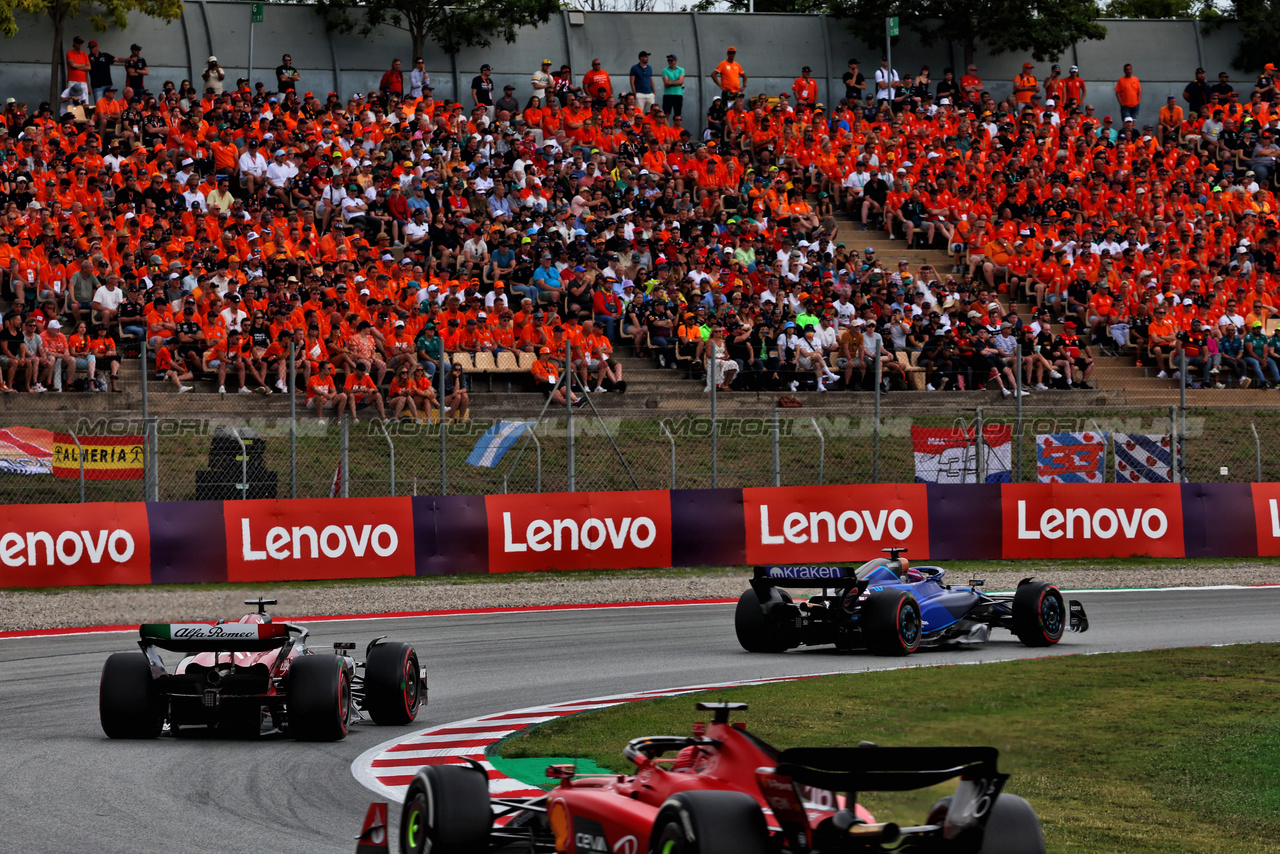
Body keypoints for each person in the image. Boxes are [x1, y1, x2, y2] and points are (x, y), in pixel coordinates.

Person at [65, 36, 91, 103]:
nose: (80, 45)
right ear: (74, 43)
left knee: (85, 102)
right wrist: (84, 65)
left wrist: (77, 66)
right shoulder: (69, 53)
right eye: (78, 43)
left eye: (81, 43)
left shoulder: (84, 54)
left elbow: (89, 67)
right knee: (72, 102)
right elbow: (72, 65)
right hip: (73, 81)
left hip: (83, 81)